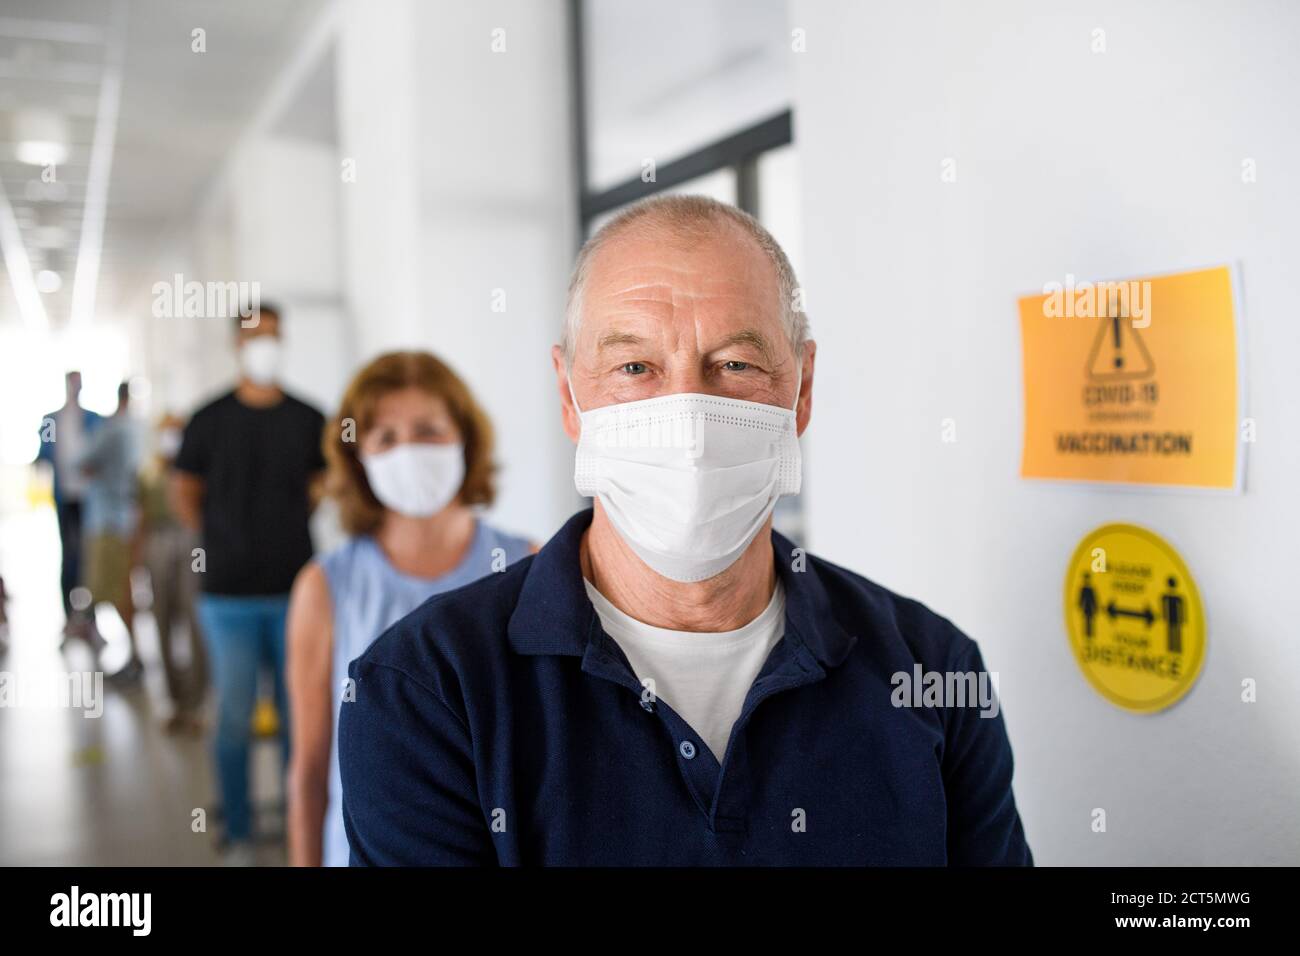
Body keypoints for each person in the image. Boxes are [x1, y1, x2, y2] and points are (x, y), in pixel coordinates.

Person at [339, 195, 1033, 866]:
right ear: (569, 396)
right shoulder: (426, 693)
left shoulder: (933, 671)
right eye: (634, 368)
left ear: (803, 388)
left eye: (736, 364)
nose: (690, 419)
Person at [285, 351, 533, 867]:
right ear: (358, 458)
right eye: (386, 438)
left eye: (428, 431)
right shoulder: (325, 587)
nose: (409, 453)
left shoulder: (527, 565)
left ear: (466, 437)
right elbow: (311, 768)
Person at [172, 303, 326, 864]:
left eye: (275, 336)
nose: (267, 345)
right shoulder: (209, 419)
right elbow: (185, 490)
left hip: (297, 590)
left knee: (299, 715)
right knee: (234, 714)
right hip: (228, 592)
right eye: (257, 336)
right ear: (237, 344)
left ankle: (299, 822)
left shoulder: (308, 417)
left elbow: (319, 483)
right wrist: (221, 535)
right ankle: (236, 829)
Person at [140, 413, 207, 731]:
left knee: (194, 619)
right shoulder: (149, 473)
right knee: (161, 618)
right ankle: (174, 701)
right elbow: (139, 516)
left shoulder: (196, 469)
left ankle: (195, 704)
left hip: (191, 542)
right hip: (157, 541)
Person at [76, 381, 144, 682]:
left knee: (116, 591)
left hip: (108, 522)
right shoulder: (141, 429)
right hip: (129, 519)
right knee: (119, 589)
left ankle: (134, 658)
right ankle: (130, 653)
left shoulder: (113, 429)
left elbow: (80, 463)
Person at [35, 371, 102, 629]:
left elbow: (102, 452)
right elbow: (43, 453)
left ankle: (90, 615)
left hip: (90, 497)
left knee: (90, 554)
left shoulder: (93, 419)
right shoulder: (52, 420)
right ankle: (68, 613)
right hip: (65, 496)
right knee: (69, 552)